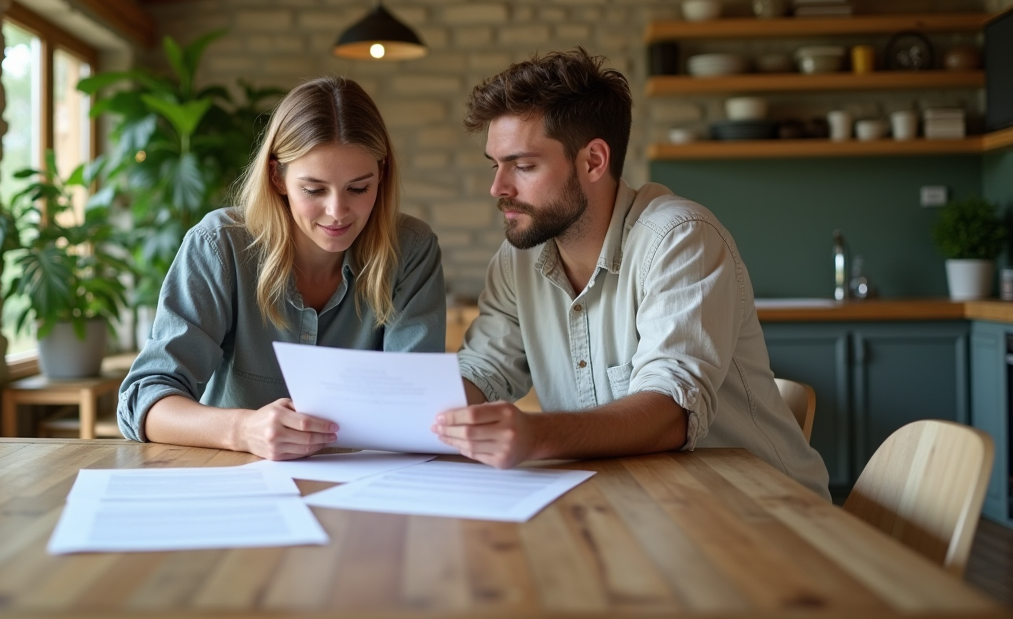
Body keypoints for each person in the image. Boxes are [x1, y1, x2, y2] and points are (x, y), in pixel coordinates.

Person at [432, 48, 831, 499]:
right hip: (642, 504)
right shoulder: (516, 260)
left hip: (761, 512)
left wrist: (536, 435)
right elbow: (483, 370)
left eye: (523, 166)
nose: (497, 188)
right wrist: (394, 413)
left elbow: (669, 412)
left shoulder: (680, 238)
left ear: (594, 161)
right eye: (495, 165)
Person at [119, 75, 446, 460]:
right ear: (277, 177)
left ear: (383, 174)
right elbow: (144, 401)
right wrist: (243, 429)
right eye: (314, 190)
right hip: (233, 479)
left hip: (364, 484)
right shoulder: (220, 245)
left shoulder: (411, 250)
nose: (337, 212)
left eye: (359, 188)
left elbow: (414, 410)